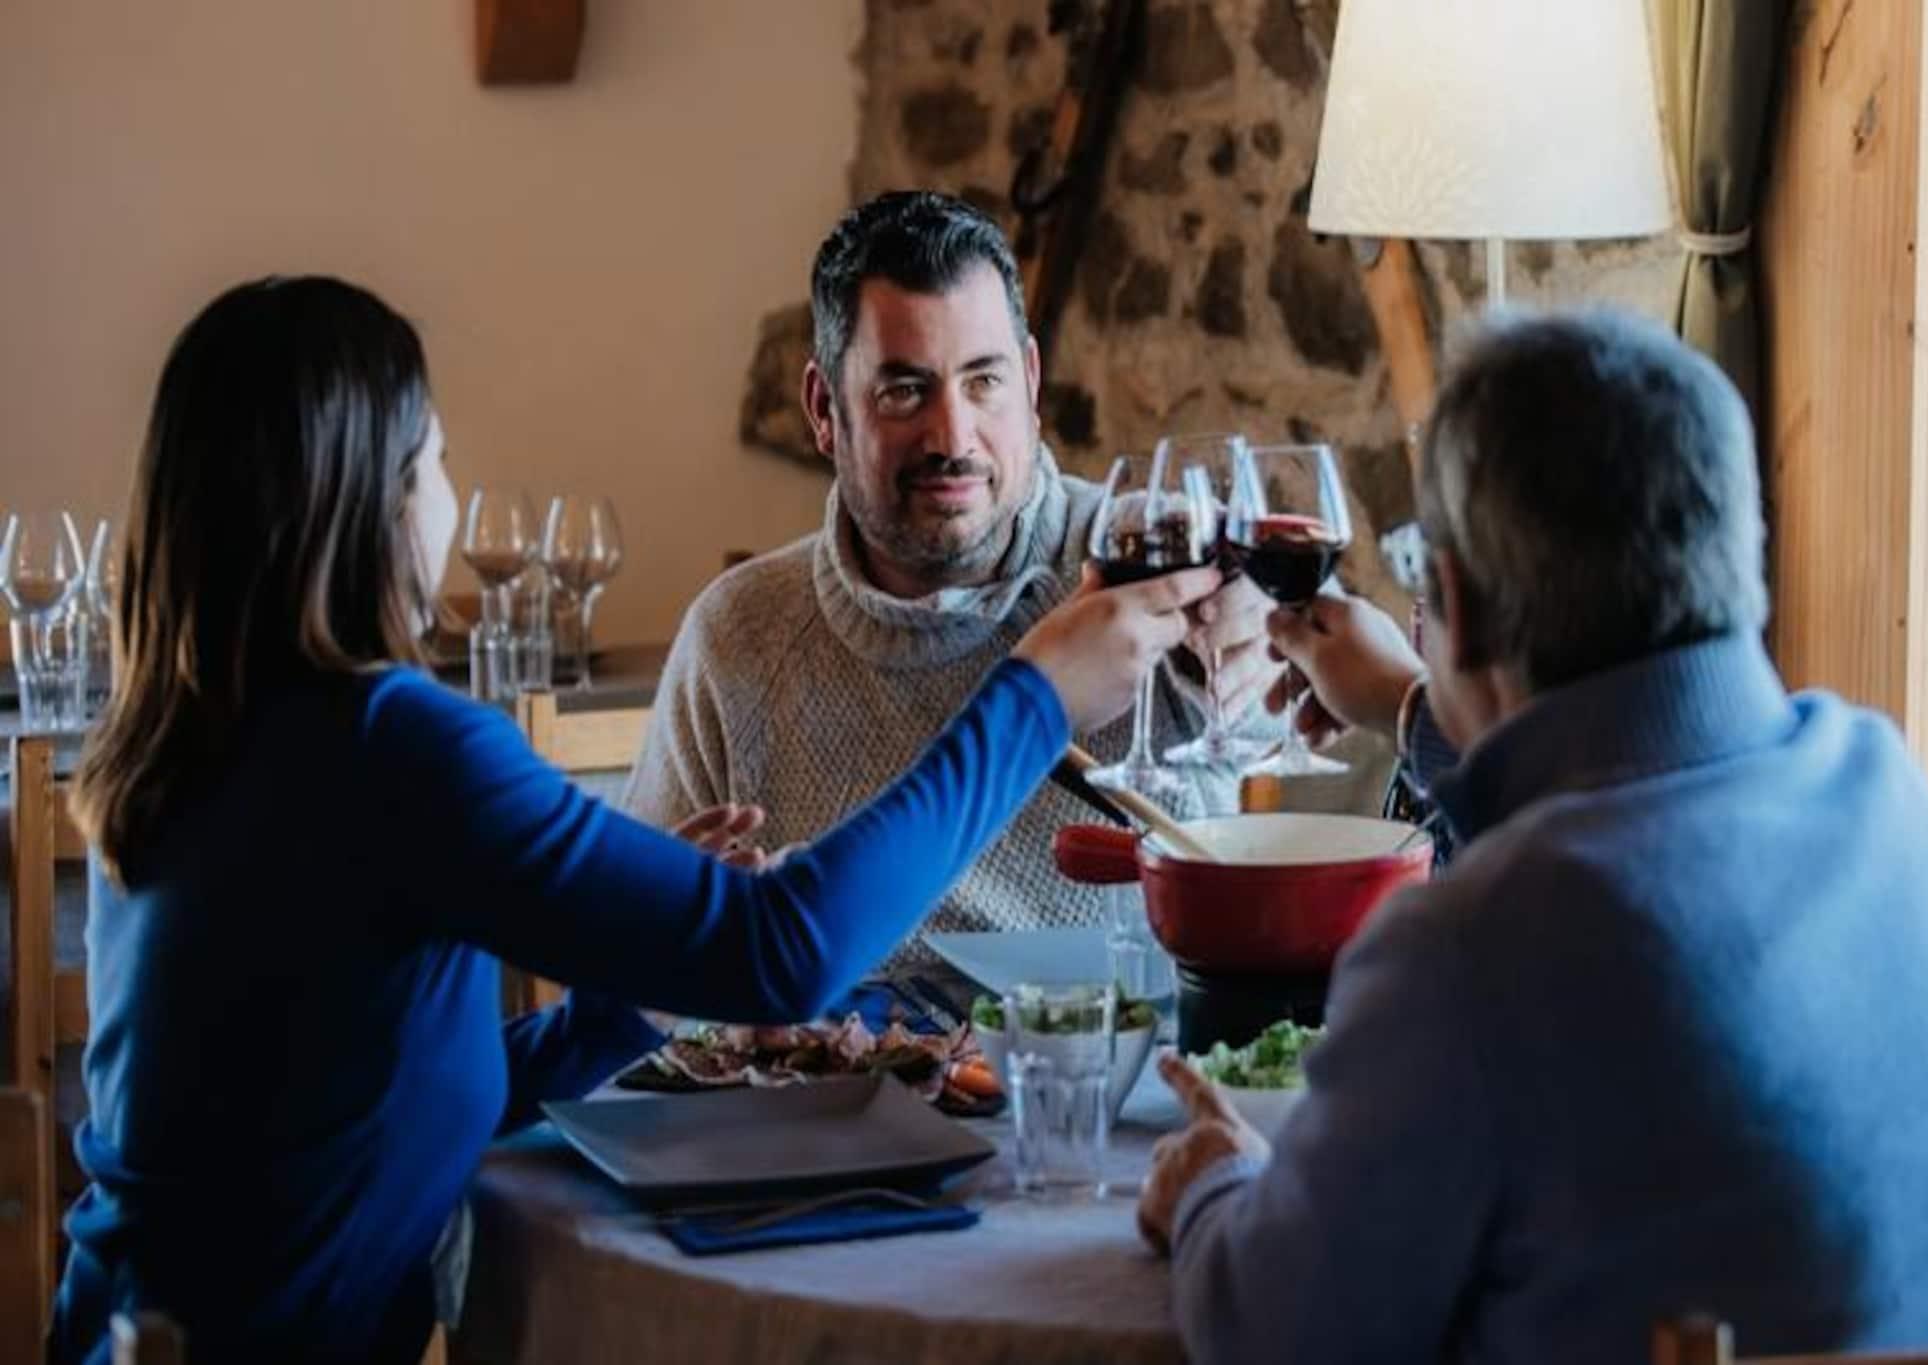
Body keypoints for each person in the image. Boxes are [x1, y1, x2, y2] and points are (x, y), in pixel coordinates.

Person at [49, 276, 1216, 1365]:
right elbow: (786, 951)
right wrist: (1033, 699)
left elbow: (373, 1097)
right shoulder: (390, 748)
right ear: (377, 498)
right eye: (436, 457)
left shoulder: (174, 751)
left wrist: (631, 1004)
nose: (446, 489)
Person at [1136, 309, 1928, 1360]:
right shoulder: (1884, 792)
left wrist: (1210, 1179)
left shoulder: (1468, 951)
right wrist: (1414, 706)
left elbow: (1271, 1338)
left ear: (1456, 605)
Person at [622, 191, 1278, 944]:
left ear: (1030, 382)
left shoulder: (1152, 560)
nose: (953, 437)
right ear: (824, 408)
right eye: (905, 391)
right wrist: (681, 931)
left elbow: (1304, 717)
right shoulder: (738, 634)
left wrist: (1265, 633)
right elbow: (641, 947)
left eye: (983, 381)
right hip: (842, 1026)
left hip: (1128, 1021)